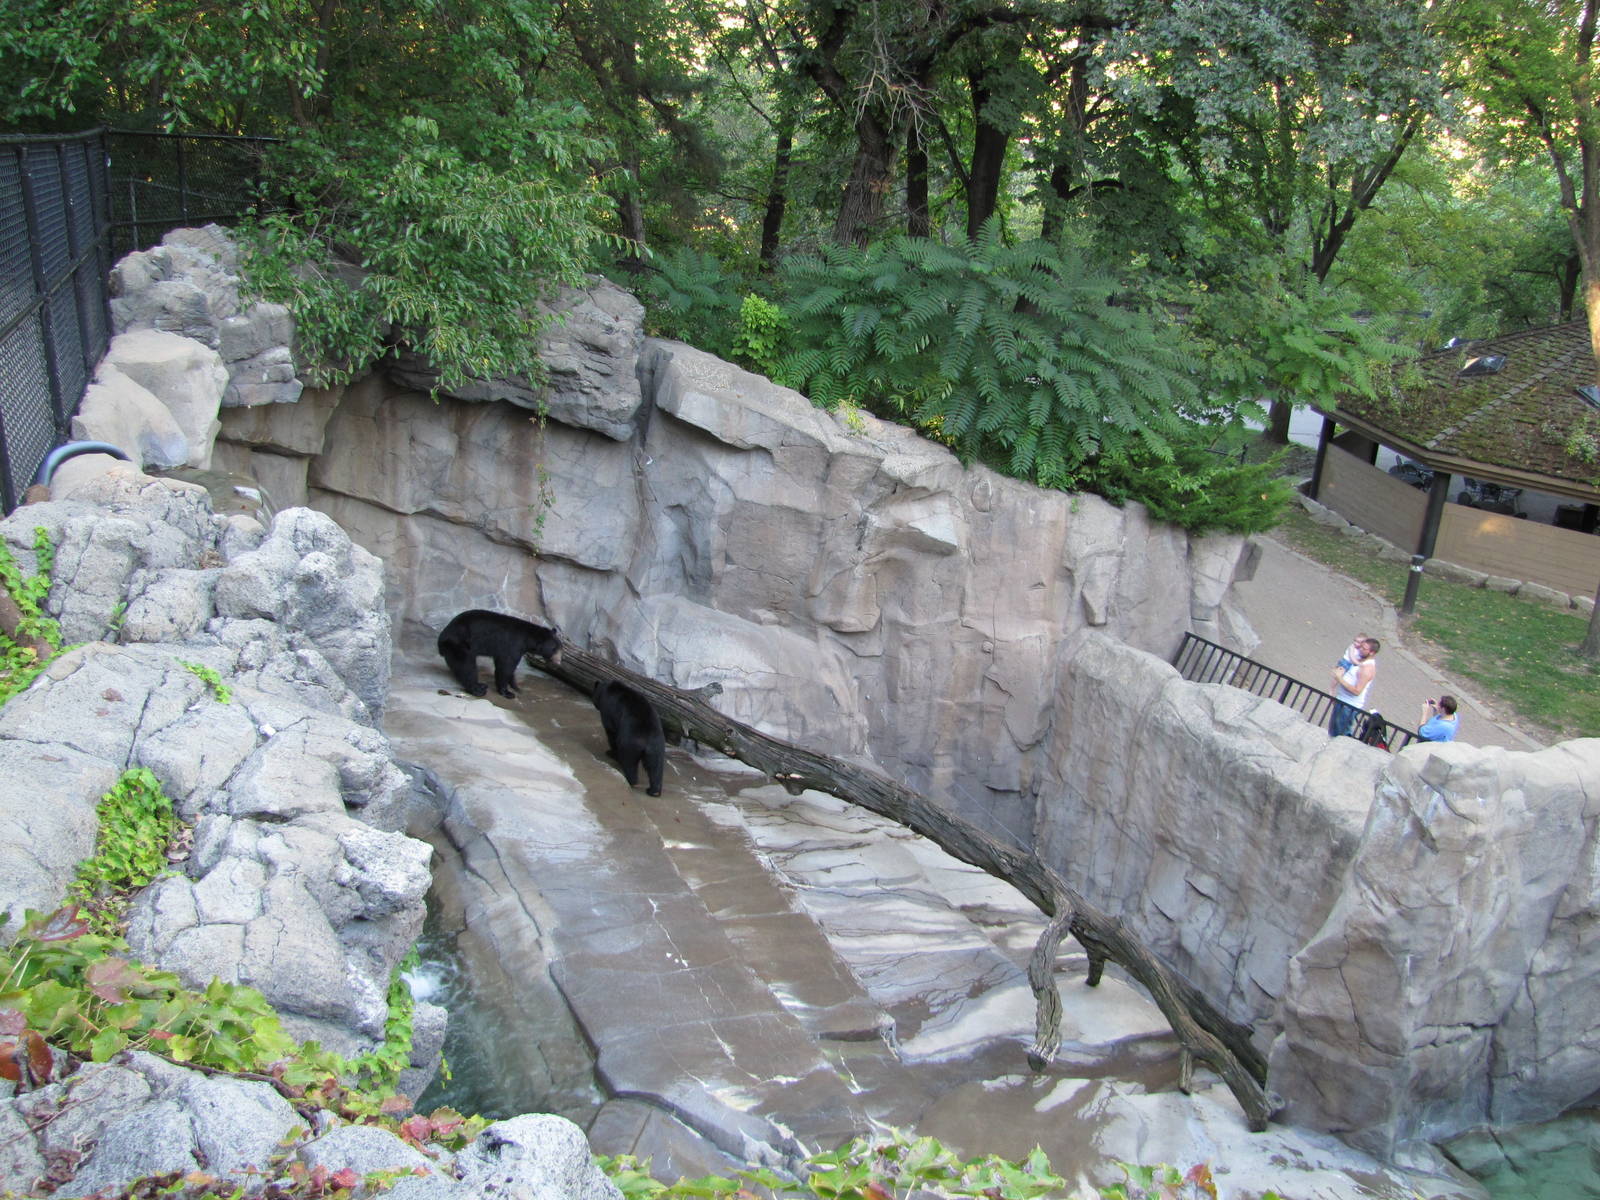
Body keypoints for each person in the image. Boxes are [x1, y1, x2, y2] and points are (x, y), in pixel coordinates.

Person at [1329, 636, 1380, 738]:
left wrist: (1340, 679)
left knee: (1341, 734)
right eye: (1361, 647)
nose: (1360, 650)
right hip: (1343, 700)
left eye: (1364, 649)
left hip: (1349, 705)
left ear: (1372, 653)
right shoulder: (1360, 662)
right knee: (1334, 730)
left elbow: (1357, 691)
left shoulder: (1367, 668)